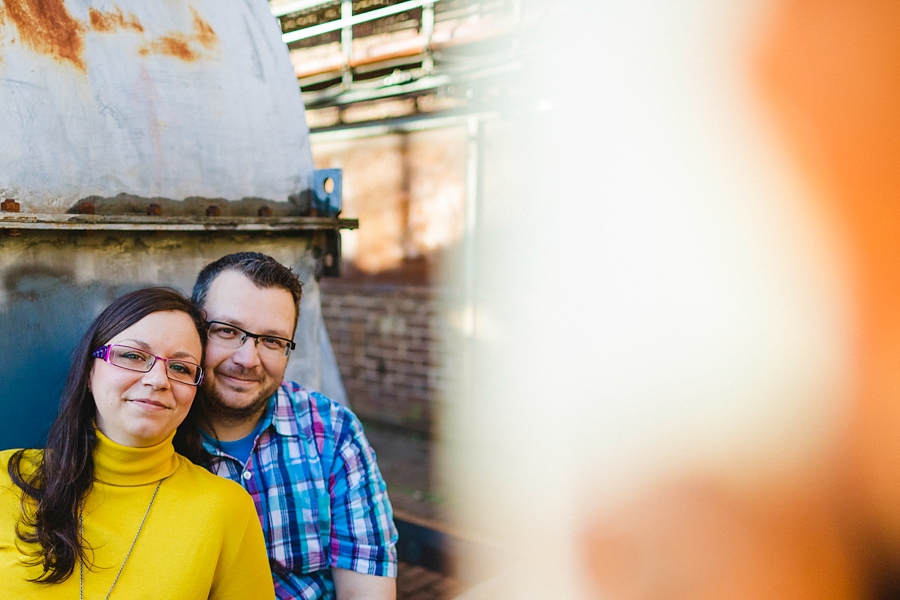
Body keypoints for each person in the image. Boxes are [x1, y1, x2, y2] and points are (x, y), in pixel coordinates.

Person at [0, 287, 275, 599]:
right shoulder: (6, 479)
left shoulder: (225, 509)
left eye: (181, 368)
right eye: (132, 356)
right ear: (90, 371)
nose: (158, 380)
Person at [192, 252, 398, 600]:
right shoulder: (156, 429)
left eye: (271, 340)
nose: (247, 359)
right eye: (227, 331)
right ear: (195, 329)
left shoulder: (333, 434)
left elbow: (368, 590)